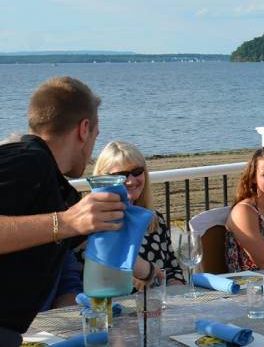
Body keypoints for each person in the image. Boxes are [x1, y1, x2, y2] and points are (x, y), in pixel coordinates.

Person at [0, 77, 155, 339]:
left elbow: (99, 241)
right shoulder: (27, 159)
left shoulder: (58, 188)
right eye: (96, 134)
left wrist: (151, 273)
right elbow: (68, 223)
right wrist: (67, 222)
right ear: (84, 129)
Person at [93, 141, 185, 286]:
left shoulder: (155, 219)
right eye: (121, 175)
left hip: (159, 305)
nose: (130, 181)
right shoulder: (94, 223)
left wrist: (176, 290)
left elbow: (173, 270)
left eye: (137, 172)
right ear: (103, 178)